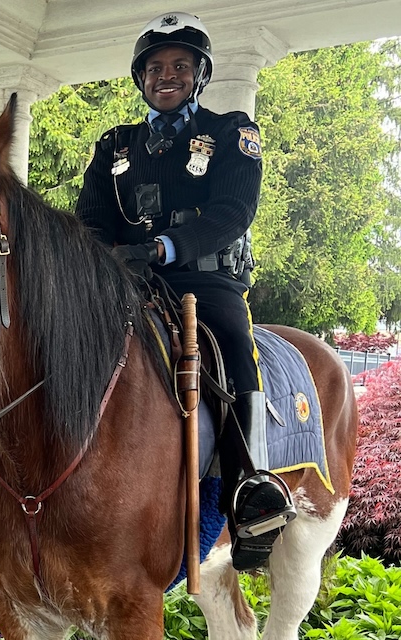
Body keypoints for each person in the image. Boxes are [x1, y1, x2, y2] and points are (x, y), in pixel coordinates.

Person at [76, 11, 295, 571]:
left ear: (200, 75)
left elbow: (232, 211)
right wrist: (103, 261)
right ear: (140, 78)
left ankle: (252, 484)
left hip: (205, 280)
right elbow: (93, 218)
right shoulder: (115, 145)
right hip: (125, 282)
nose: (165, 75)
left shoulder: (232, 132)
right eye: (154, 67)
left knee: (233, 342)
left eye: (179, 66)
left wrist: (161, 249)